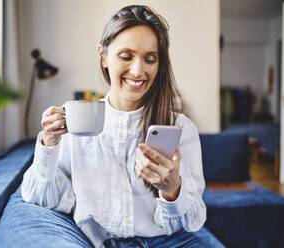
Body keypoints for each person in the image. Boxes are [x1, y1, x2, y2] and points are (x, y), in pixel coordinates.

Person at [21, 5, 206, 248]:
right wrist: (48, 143)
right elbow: (40, 197)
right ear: (104, 57)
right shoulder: (75, 120)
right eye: (126, 56)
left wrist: (172, 190)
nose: (139, 71)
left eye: (150, 59)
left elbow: (192, 222)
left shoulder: (181, 128)